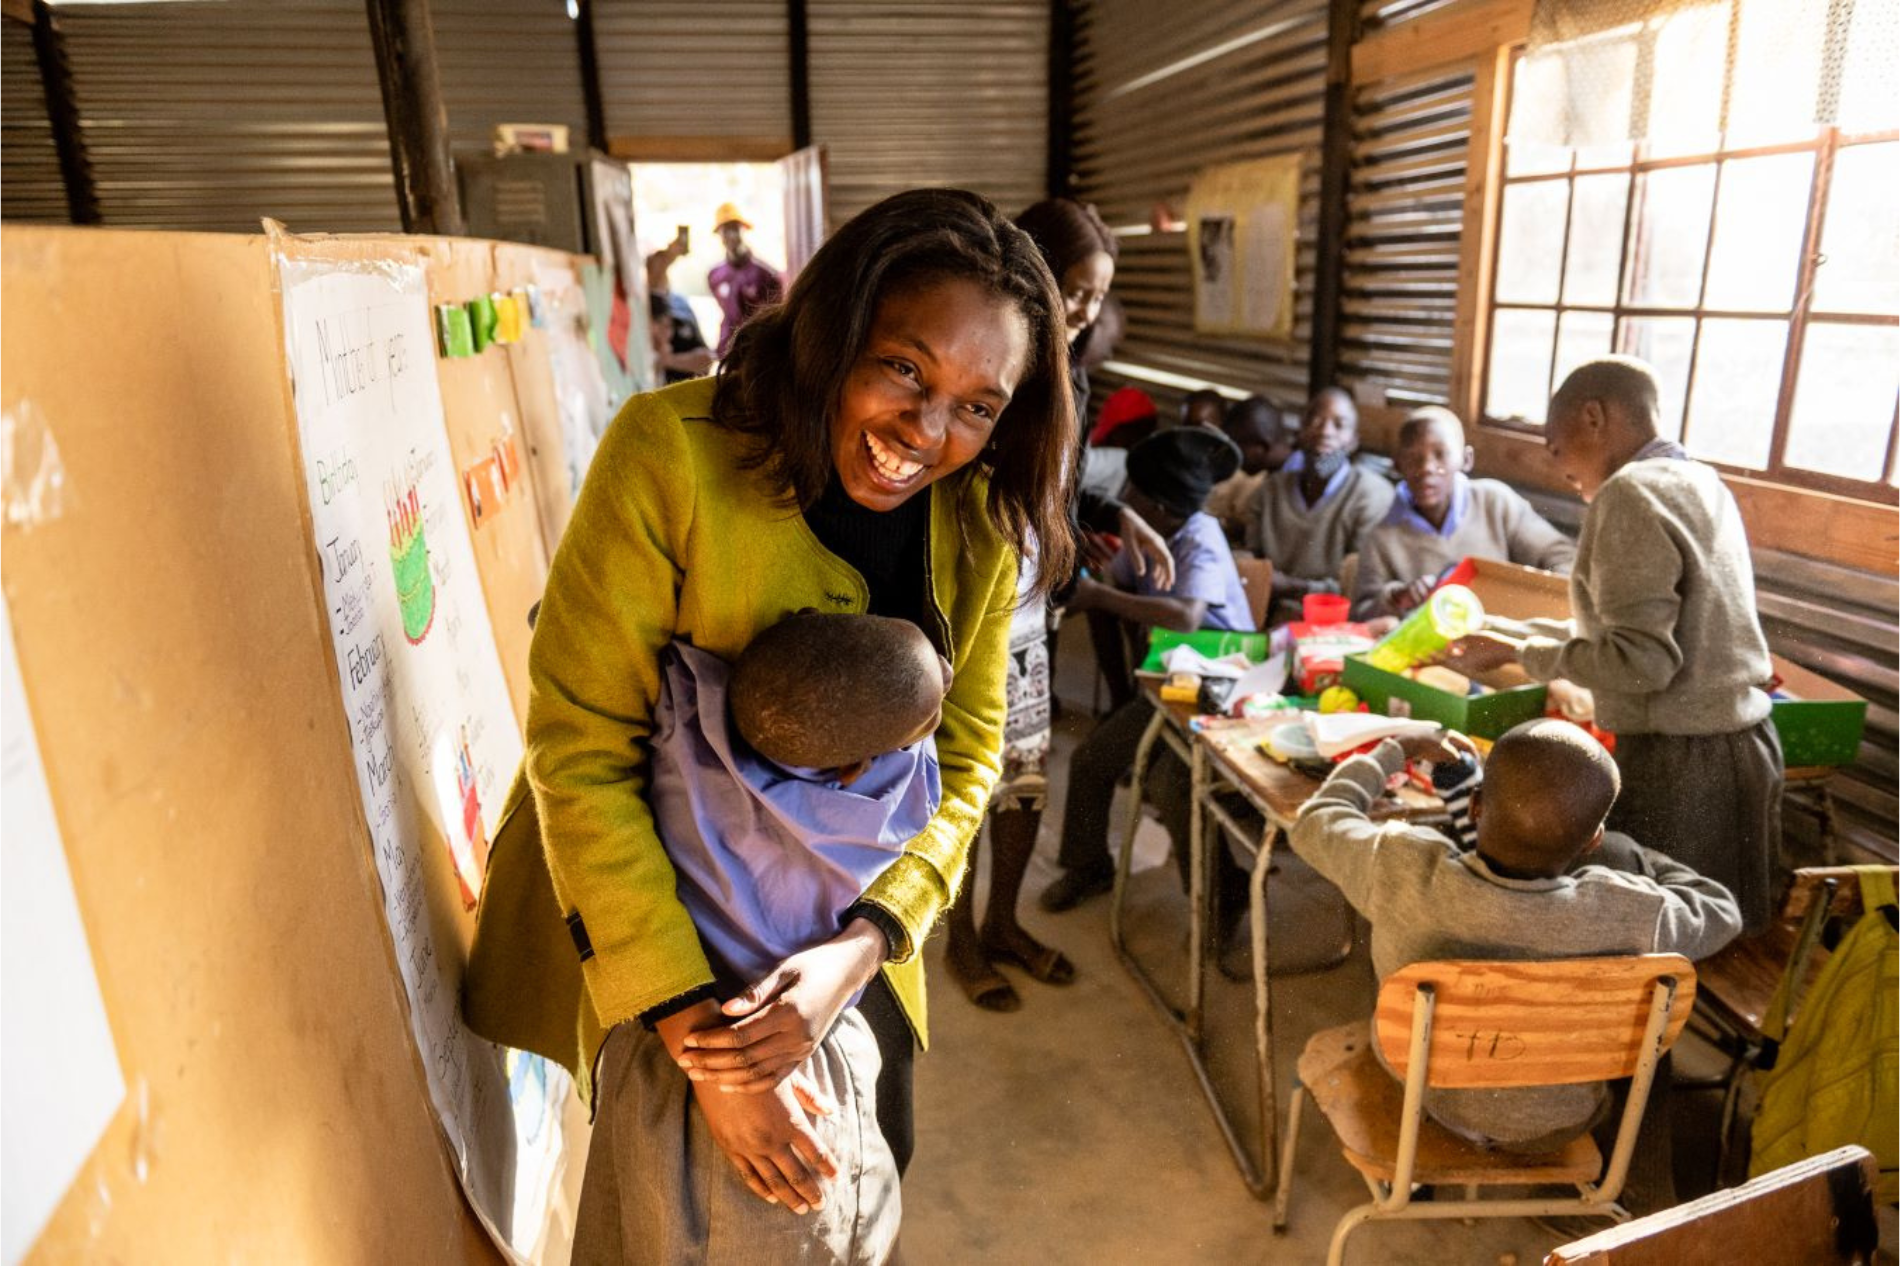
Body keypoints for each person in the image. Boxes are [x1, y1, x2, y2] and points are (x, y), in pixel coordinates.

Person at [461, 188, 1079, 1258]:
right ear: (831, 332)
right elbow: (581, 748)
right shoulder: (673, 453)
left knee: (860, 1184)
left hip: (850, 939)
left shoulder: (981, 524)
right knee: (679, 1210)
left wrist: (861, 950)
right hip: (664, 943)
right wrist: (699, 1040)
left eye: (978, 406)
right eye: (903, 369)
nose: (927, 434)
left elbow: (969, 756)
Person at [631, 612, 948, 1262]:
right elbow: (937, 809)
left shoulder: (684, 716)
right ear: (857, 768)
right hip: (792, 1056)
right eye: (930, 718)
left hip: (677, 1026)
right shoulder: (881, 811)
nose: (951, 675)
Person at [1290, 719, 1742, 1153]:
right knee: (1639, 991)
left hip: (1421, 1100)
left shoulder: (1401, 869)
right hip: (1555, 1126)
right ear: (1592, 842)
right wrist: (1640, 861)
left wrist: (1397, 750)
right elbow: (1722, 910)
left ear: (1475, 806)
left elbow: (1316, 820)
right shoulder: (1629, 911)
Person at [1448, 357, 1784, 935]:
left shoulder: (1629, 494)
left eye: (1555, 448)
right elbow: (1631, 638)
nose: (1560, 470)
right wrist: (1513, 638)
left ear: (1594, 417)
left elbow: (1639, 663)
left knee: (1662, 951)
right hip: (1739, 746)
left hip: (1686, 765)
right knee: (1712, 936)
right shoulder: (1698, 480)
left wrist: (1517, 655)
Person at [939, 198, 1172, 1014]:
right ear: (1028, 269)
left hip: (1034, 620)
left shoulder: (1071, 372)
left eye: (1098, 296)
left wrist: (1115, 514)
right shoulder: (984, 364)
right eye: (1074, 288)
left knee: (1026, 781)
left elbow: (1056, 490)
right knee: (964, 786)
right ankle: (959, 939)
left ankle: (1002, 923)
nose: (1085, 309)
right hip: (969, 617)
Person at [1042, 427, 1255, 914]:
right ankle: (1089, 865)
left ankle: (1224, 894)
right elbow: (1108, 591)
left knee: (1169, 783)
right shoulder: (1145, 535)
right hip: (1167, 685)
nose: (1125, 500)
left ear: (1160, 506)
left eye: (1135, 493)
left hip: (1222, 687)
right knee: (1092, 759)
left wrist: (1099, 595)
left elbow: (1185, 616)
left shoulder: (1200, 537)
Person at [1352, 406, 1575, 620]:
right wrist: (1395, 598)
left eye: (1440, 454)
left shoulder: (1495, 502)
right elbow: (1361, 613)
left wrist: (1534, 603)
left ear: (1466, 459)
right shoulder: (1381, 537)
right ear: (1397, 464)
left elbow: (1561, 556)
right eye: (1413, 457)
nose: (1427, 467)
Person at [1246, 387, 1395, 624]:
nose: (1325, 432)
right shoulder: (1269, 491)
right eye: (1315, 421)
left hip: (1335, 624)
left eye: (1339, 425)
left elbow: (1359, 586)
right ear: (1301, 431)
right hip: (1272, 620)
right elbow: (1252, 563)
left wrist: (1292, 587)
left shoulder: (1372, 495)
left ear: (1354, 441)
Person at [1205, 394, 1296, 542]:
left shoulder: (1299, 482)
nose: (1232, 456)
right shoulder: (1273, 479)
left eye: (1238, 446)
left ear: (1261, 447)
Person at [708, 201, 785, 358]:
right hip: (728, 350)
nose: (731, 235)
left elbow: (776, 317)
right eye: (725, 230)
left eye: (735, 229)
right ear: (719, 235)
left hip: (758, 350)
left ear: (744, 230)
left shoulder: (766, 275)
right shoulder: (715, 276)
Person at [648, 292, 714, 385]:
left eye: (666, 325)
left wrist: (669, 360)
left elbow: (707, 360)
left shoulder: (682, 328)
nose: (662, 330)